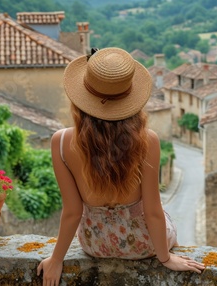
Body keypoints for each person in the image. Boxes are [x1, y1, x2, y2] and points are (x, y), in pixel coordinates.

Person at [37, 47, 205, 285]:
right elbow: (153, 211)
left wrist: (56, 259)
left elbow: (73, 212)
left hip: (94, 244)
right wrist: (165, 257)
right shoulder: (148, 140)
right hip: (142, 244)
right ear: (130, 99)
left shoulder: (60, 142)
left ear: (81, 98)